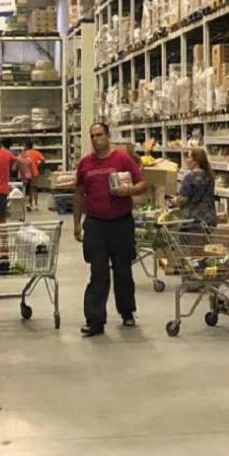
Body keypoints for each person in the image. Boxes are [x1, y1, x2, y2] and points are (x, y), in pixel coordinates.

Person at [74, 122, 149, 337]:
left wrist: (128, 190)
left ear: (108, 136)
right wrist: (77, 222)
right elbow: (78, 193)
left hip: (120, 223)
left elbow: (142, 184)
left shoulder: (122, 159)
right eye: (92, 136)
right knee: (98, 272)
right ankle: (95, 319)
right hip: (95, 224)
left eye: (99, 135)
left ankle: (127, 312)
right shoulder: (85, 163)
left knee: (122, 270)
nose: (96, 139)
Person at [171, 148, 217, 231]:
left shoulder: (190, 177)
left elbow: (183, 199)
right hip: (208, 219)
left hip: (193, 221)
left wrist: (174, 201)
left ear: (195, 161)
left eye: (189, 157)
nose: (186, 160)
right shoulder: (209, 176)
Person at [18, 139, 46, 209]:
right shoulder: (36, 152)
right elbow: (43, 160)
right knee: (35, 188)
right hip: (35, 172)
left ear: (26, 146)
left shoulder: (24, 153)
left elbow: (19, 161)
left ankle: (29, 204)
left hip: (26, 173)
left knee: (28, 189)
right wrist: (38, 164)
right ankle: (36, 204)